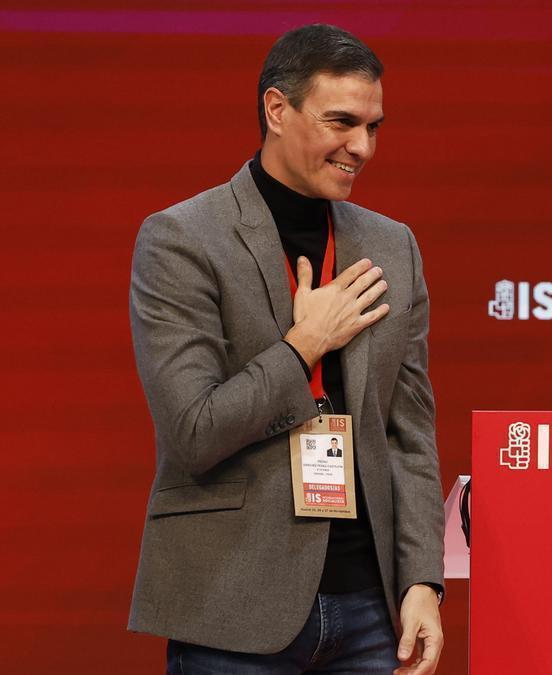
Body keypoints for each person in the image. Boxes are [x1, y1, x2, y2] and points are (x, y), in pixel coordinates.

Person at [127, 24, 444, 674]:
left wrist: (422, 581)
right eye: (342, 122)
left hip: (370, 609)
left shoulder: (392, 246)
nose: (362, 146)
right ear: (278, 110)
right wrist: (304, 346)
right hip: (233, 604)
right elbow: (192, 432)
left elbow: (409, 433)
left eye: (374, 126)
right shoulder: (182, 240)